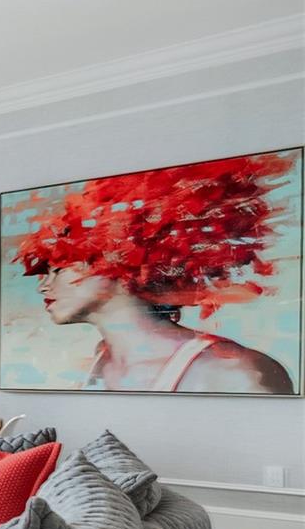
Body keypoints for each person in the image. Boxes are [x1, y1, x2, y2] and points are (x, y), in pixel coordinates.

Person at [15, 152, 298, 394]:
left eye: (58, 269)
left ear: (117, 256)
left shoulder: (235, 371)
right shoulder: (99, 360)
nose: (43, 286)